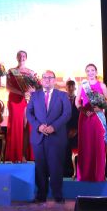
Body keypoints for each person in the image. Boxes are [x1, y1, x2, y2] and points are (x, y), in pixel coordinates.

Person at [26, 70, 71, 203]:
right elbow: (29, 113)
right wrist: (38, 126)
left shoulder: (63, 95)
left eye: (50, 78)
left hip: (56, 137)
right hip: (39, 137)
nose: (47, 80)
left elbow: (67, 114)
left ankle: (58, 195)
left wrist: (54, 127)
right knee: (40, 167)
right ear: (41, 80)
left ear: (54, 80)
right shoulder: (35, 95)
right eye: (45, 77)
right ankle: (41, 195)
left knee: (56, 166)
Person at [75, 64, 107, 182]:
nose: (90, 73)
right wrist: (84, 110)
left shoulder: (102, 85)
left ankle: (98, 175)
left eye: (92, 70)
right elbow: (77, 102)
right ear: (86, 73)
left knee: (98, 145)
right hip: (85, 118)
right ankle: (85, 175)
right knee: (86, 145)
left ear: (96, 72)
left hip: (98, 119)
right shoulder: (82, 86)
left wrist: (100, 108)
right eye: (88, 71)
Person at [5, 50, 37, 162]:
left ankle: (23, 154)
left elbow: (36, 88)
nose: (21, 57)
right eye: (19, 56)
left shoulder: (31, 72)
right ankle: (15, 155)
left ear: (26, 58)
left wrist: (30, 91)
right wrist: (21, 93)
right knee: (16, 126)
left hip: (28, 100)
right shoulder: (11, 71)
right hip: (15, 101)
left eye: (23, 56)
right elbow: (8, 87)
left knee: (26, 126)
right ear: (16, 57)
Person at [64, 80, 79, 178]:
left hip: (76, 131)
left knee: (76, 152)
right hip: (63, 131)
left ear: (75, 88)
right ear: (65, 88)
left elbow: (81, 116)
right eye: (68, 86)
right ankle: (64, 173)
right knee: (63, 152)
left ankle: (76, 172)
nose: (70, 88)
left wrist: (76, 129)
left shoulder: (79, 99)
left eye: (72, 86)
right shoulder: (61, 99)